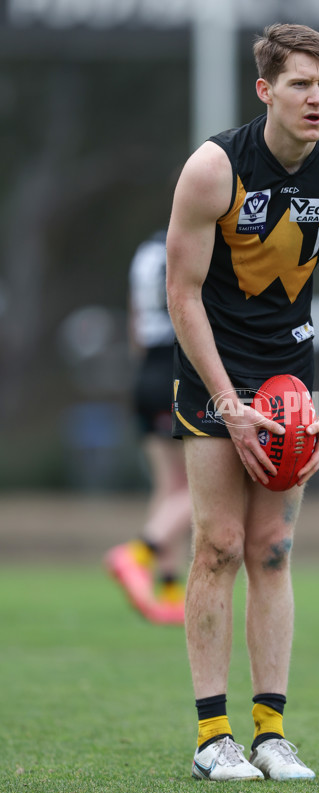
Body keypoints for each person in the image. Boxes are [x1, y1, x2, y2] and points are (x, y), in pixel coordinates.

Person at [166, 22, 319, 780]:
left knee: (275, 549)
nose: (316, 98)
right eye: (300, 84)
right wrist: (227, 402)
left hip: (292, 381)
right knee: (219, 544)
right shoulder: (213, 169)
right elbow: (181, 294)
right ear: (265, 90)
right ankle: (211, 738)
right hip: (212, 372)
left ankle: (271, 733)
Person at [105, 229, 192, 625]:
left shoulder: (145, 251)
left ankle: (171, 591)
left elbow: (135, 325)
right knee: (206, 487)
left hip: (147, 374)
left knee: (170, 488)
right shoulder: (192, 240)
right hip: (180, 366)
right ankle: (139, 552)